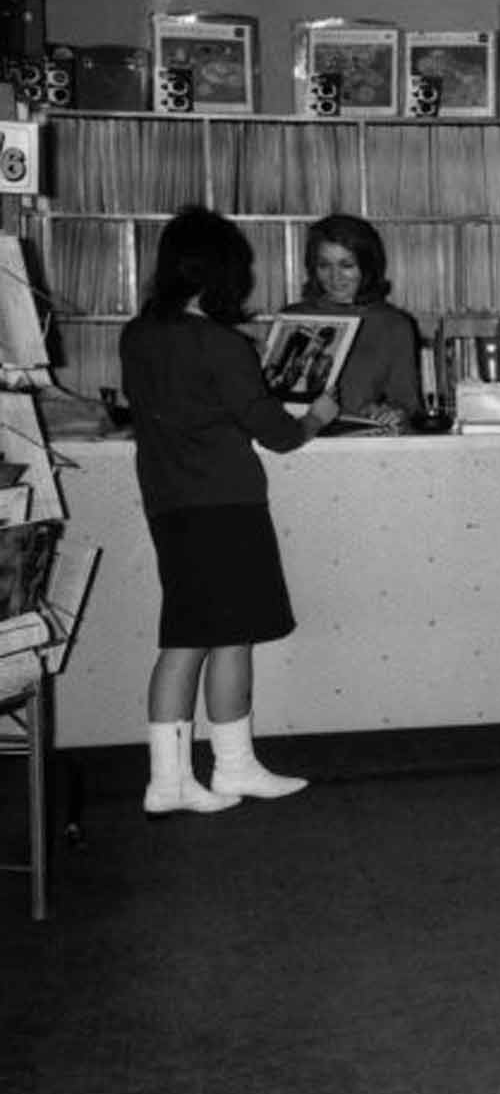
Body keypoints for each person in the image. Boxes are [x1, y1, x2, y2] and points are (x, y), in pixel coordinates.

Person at [120, 207, 340, 816]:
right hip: (227, 505)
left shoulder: (137, 336)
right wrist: (318, 416)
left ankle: (173, 779)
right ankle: (230, 767)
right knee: (227, 638)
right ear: (221, 273)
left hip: (170, 505)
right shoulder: (221, 344)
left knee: (186, 637)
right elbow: (278, 435)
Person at [283, 214, 422, 431]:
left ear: (367, 267)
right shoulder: (292, 318)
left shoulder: (394, 325)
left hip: (360, 443)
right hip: (295, 439)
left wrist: (392, 412)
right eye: (324, 265)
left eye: (346, 265)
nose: (335, 277)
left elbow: (407, 403)